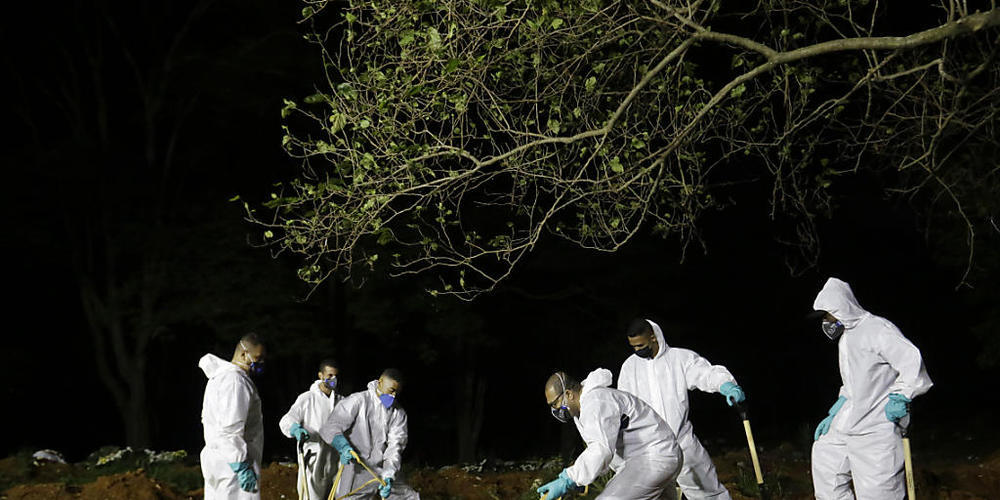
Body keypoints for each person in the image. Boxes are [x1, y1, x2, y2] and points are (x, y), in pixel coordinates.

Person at [810, 277, 933, 499]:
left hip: (876, 426)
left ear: (843, 307)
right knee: (825, 458)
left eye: (829, 315)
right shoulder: (846, 338)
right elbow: (853, 382)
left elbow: (911, 362)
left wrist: (902, 396)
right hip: (849, 420)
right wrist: (838, 406)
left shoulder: (878, 329)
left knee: (878, 492)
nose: (827, 322)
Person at [617, 318, 743, 500]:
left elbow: (705, 374)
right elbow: (624, 401)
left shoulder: (679, 359)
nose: (637, 350)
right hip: (650, 450)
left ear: (652, 337)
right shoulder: (630, 367)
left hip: (682, 442)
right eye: (633, 347)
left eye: (640, 345)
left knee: (709, 494)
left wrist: (725, 385)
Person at [539, 368, 683, 500]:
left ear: (569, 394)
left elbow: (601, 450)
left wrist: (568, 479)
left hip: (654, 457)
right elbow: (605, 453)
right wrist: (581, 480)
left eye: (555, 404)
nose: (555, 410)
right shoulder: (584, 408)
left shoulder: (595, 402)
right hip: (652, 456)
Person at [318, 368, 420, 499]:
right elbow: (330, 427)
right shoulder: (358, 401)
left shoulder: (398, 413)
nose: (393, 396)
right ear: (380, 382)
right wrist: (342, 446)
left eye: (397, 392)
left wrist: (389, 475)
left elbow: (396, 446)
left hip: (382, 468)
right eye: (391, 390)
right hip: (356, 468)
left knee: (409, 497)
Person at [199, 333, 266, 499]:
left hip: (219, 461)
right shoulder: (236, 382)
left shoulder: (219, 378)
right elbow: (230, 427)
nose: (261, 363)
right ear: (244, 354)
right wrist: (241, 465)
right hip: (233, 466)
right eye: (258, 357)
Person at [278, 358, 344, 500]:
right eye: (330, 375)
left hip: (335, 461)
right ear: (320, 375)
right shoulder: (307, 399)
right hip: (313, 461)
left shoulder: (341, 401)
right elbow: (287, 419)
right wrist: (295, 428)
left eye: (336, 376)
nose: (334, 379)